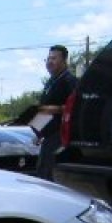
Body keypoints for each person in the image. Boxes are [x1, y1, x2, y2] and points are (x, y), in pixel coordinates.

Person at [34, 44, 78, 180]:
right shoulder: (50, 82)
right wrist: (39, 132)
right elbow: (45, 108)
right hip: (47, 138)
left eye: (54, 58)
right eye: (48, 59)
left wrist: (57, 109)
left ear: (64, 61)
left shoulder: (69, 81)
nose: (49, 62)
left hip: (60, 137)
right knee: (42, 173)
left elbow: (76, 107)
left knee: (50, 176)